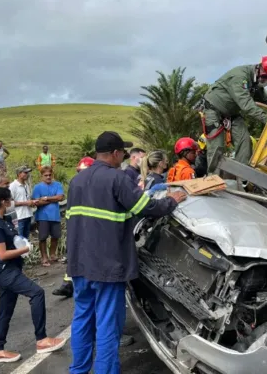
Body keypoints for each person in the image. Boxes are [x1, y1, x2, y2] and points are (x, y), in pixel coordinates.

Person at [66, 131, 187, 374]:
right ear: (115, 153)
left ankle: (78, 370)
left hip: (79, 264)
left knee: (82, 319)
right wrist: (172, 200)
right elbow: (146, 207)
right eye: (122, 152)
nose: (122, 157)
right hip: (108, 266)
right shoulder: (117, 179)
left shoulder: (76, 181)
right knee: (108, 324)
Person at [0, 187, 66, 363]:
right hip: (4, 271)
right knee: (36, 293)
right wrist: (25, 249)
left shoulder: (4, 220)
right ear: (4, 202)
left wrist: (21, 245)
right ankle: (42, 340)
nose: (12, 202)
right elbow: (2, 255)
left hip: (10, 269)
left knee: (6, 310)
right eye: (10, 199)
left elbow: (11, 243)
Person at [201, 56, 267, 166]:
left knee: (244, 140)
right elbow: (247, 105)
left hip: (231, 114)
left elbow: (265, 98)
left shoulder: (255, 81)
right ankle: (213, 180)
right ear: (262, 71)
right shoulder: (240, 77)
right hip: (213, 111)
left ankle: (242, 179)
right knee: (217, 148)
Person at [52, 157, 94, 298]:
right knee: (73, 254)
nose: (81, 174)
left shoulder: (95, 185)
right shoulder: (75, 184)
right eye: (79, 172)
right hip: (77, 226)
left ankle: (74, 284)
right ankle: (68, 284)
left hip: (89, 227)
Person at [32, 166, 64, 266]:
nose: (48, 177)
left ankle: (53, 255)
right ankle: (44, 257)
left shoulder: (58, 184)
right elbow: (37, 202)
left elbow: (60, 197)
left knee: (55, 236)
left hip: (55, 216)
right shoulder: (37, 187)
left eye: (50, 175)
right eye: (46, 175)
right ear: (42, 176)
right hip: (42, 217)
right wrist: (53, 199)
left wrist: (45, 198)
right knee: (43, 238)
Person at [9, 166, 36, 239]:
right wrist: (26, 203)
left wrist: (32, 203)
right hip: (19, 217)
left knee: (25, 239)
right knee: (19, 239)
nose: (27, 174)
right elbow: (10, 203)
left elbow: (26, 199)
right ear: (19, 174)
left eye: (28, 173)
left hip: (28, 215)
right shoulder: (12, 186)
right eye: (25, 173)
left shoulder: (26, 185)